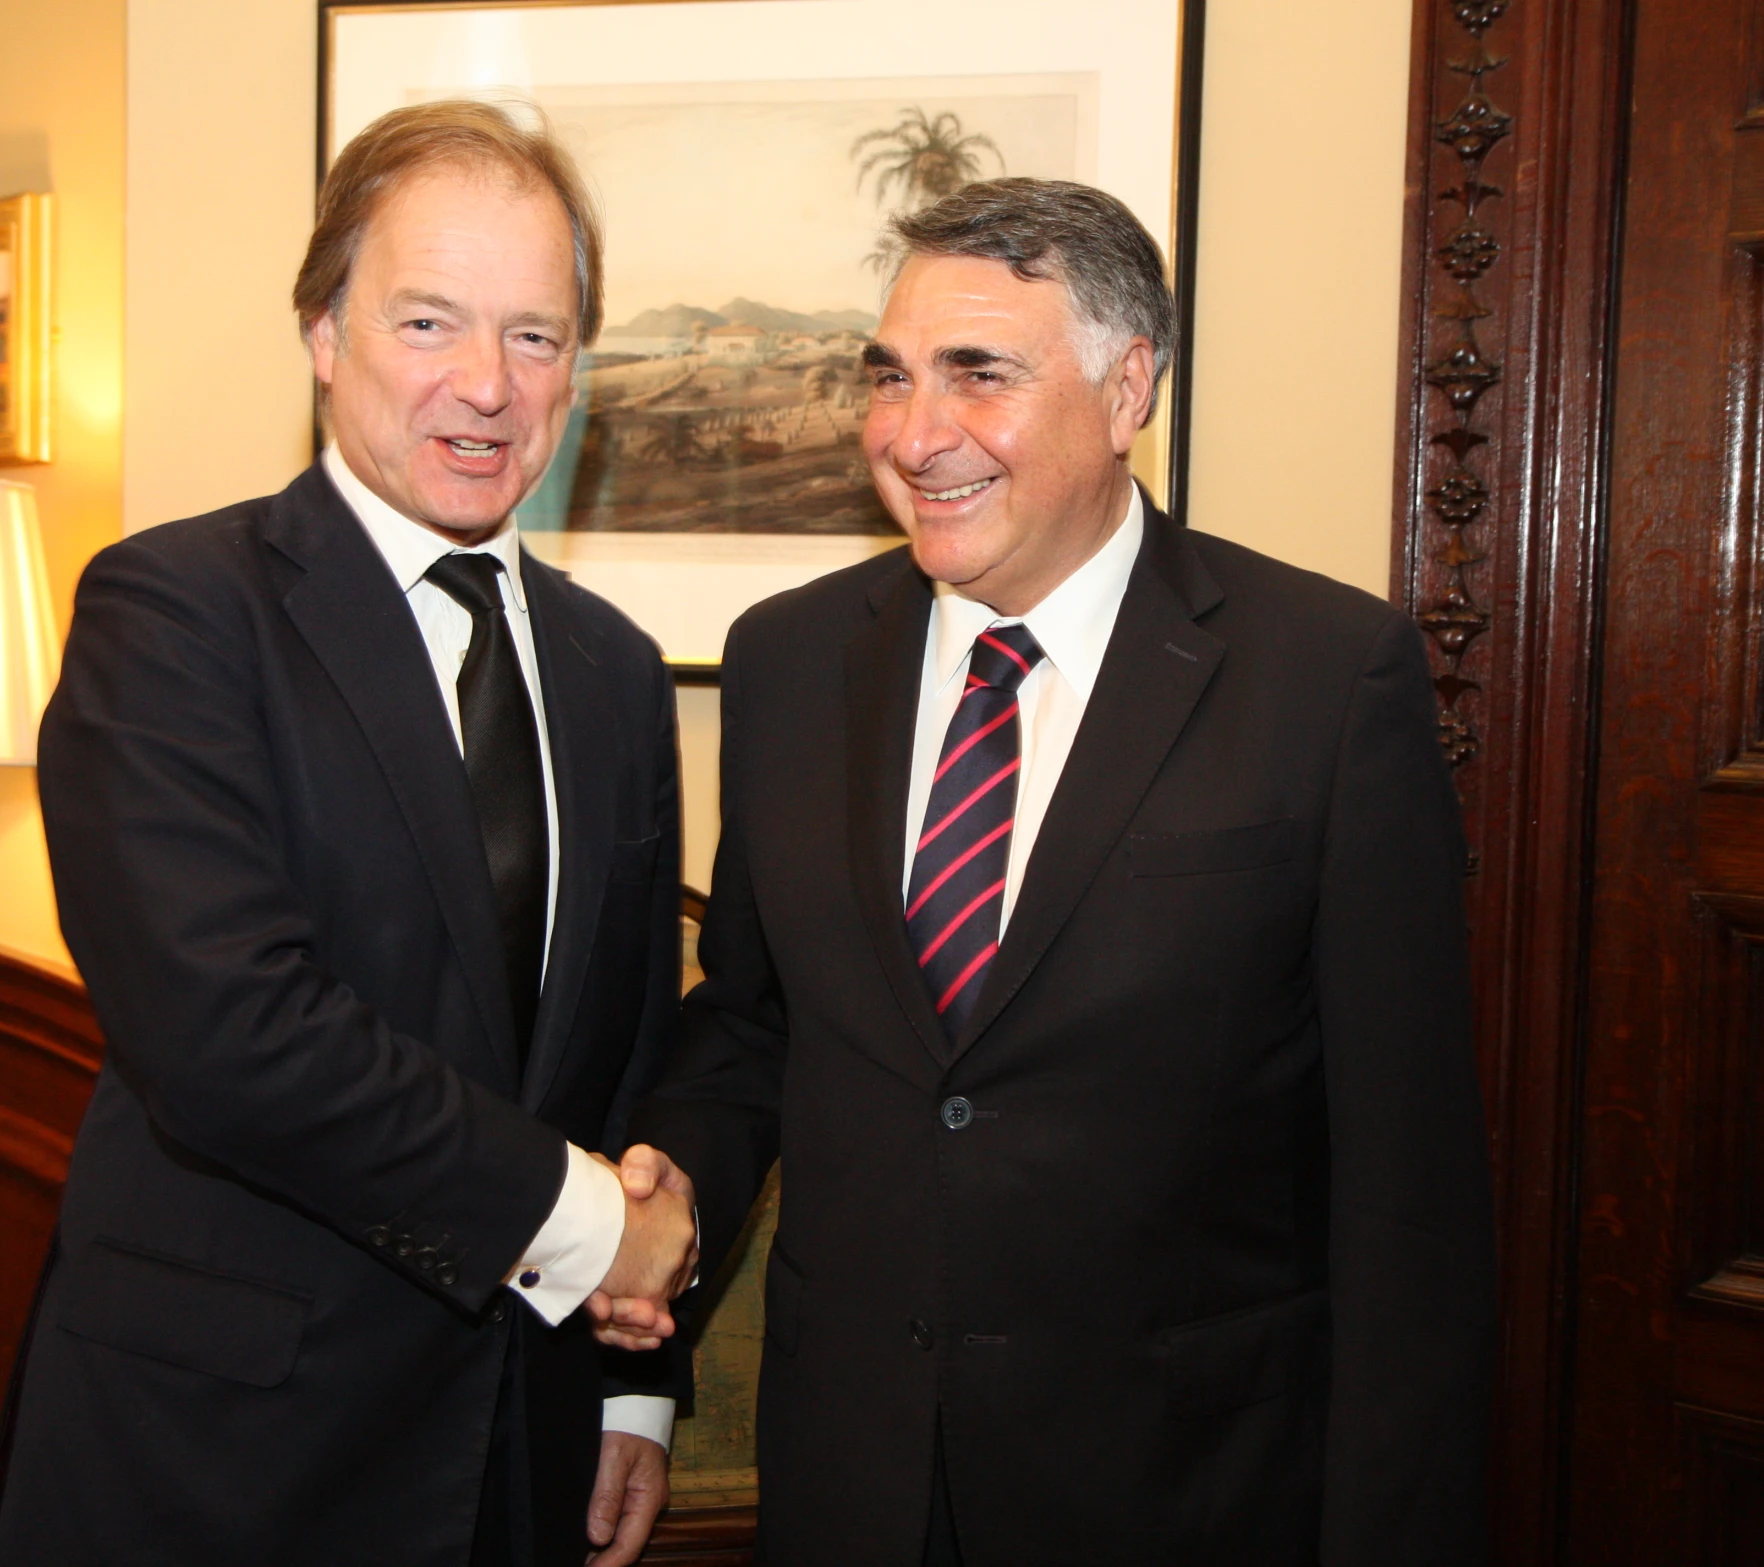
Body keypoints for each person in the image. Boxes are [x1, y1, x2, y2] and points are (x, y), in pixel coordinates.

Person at [615, 178, 1497, 1563]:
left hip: (1184, 1488)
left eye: (979, 374)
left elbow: (1406, 1188)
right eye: (892, 376)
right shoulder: (790, 660)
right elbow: (749, 1025)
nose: (914, 435)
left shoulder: (1324, 679)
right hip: (851, 1479)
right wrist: (646, 1288)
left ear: (1127, 385)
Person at [0, 101, 699, 1567]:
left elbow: (621, 1056)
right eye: (428, 322)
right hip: (223, 1458)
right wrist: (582, 1223)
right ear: (322, 331)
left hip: (517, 1448)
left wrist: (632, 1382)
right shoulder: (174, 613)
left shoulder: (614, 672)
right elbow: (227, 1036)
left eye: (537, 336)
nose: (487, 387)